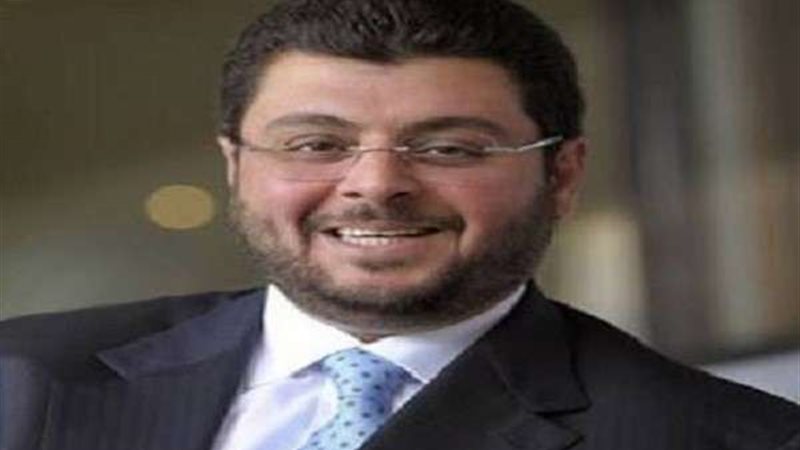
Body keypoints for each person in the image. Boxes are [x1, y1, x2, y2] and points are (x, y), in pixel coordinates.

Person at [1, 0, 798, 449]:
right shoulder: (16, 379)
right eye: (316, 144)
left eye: (449, 147)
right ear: (236, 166)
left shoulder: (728, 440)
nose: (377, 186)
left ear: (561, 174)